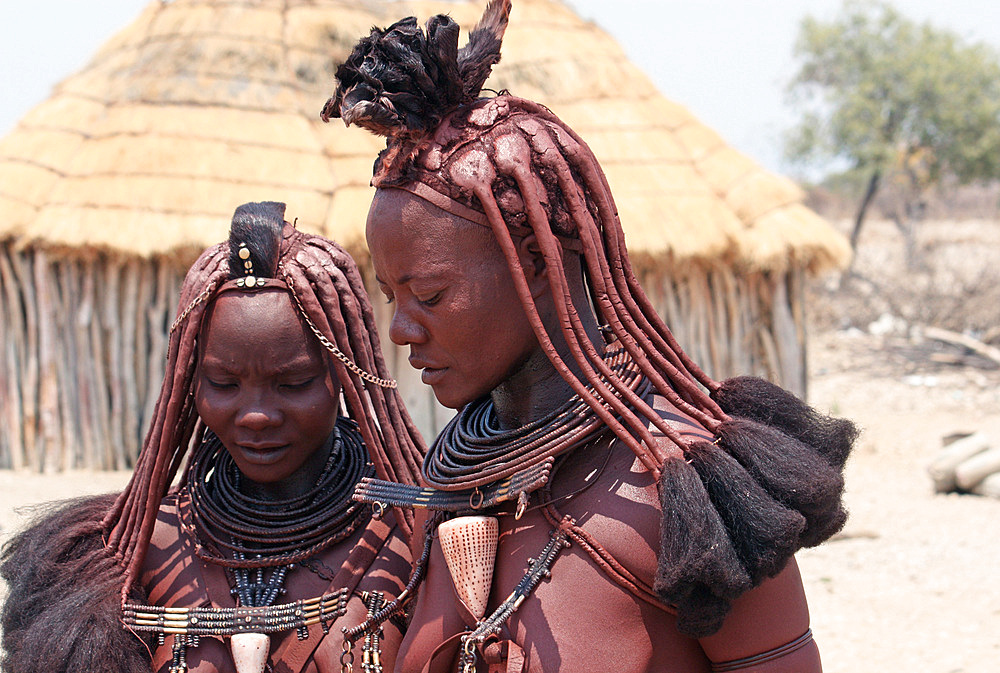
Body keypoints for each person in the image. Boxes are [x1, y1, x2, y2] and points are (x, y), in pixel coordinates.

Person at [320, 2, 857, 671]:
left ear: (539, 267)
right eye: (391, 294)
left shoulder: (686, 495)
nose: (400, 328)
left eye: (428, 294)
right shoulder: (451, 481)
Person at [0, 202, 426, 673]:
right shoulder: (133, 552)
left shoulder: (414, 538)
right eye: (223, 384)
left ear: (344, 375)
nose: (257, 416)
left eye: (293, 383)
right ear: (189, 383)